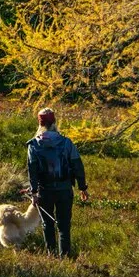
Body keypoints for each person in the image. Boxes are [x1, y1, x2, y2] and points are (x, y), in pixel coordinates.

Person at [27, 107, 89, 258]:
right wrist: (83, 187)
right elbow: (77, 166)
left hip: (44, 191)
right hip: (64, 190)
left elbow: (32, 171)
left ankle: (51, 256)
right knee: (64, 226)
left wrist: (34, 192)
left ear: (40, 124)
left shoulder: (33, 145)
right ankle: (65, 259)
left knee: (47, 224)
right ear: (54, 122)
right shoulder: (66, 143)